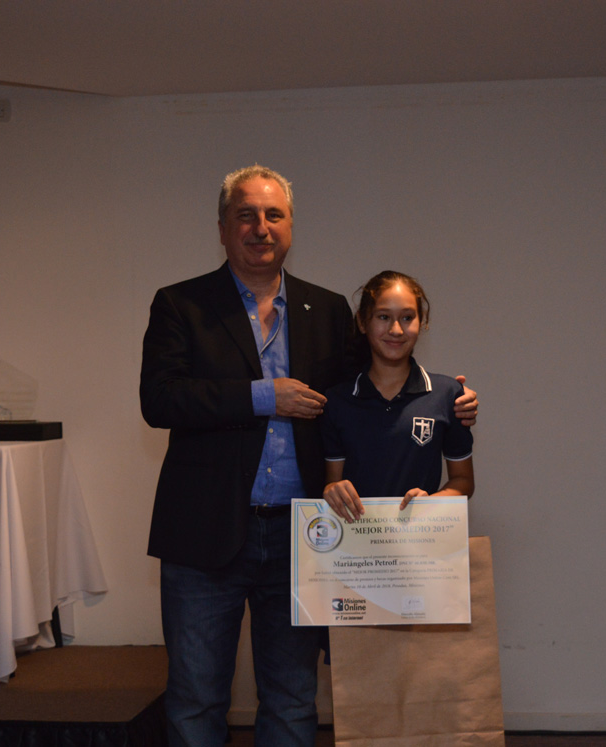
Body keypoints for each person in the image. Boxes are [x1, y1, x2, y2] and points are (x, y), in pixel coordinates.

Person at [139, 166, 478, 746]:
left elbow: (374, 384)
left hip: (306, 536)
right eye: (246, 215)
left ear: (291, 227)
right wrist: (264, 396)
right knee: (195, 700)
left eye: (274, 215)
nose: (260, 228)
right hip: (203, 533)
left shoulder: (326, 309)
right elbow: (160, 399)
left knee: (294, 700)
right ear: (222, 228)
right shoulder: (181, 304)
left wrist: (448, 398)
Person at [321, 270, 474, 523]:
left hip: (421, 540)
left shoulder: (448, 394)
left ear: (422, 322)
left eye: (407, 317)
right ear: (362, 322)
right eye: (383, 317)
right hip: (357, 540)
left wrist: (432, 502)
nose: (396, 329)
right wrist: (332, 490)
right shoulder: (338, 400)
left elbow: (464, 481)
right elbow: (333, 482)